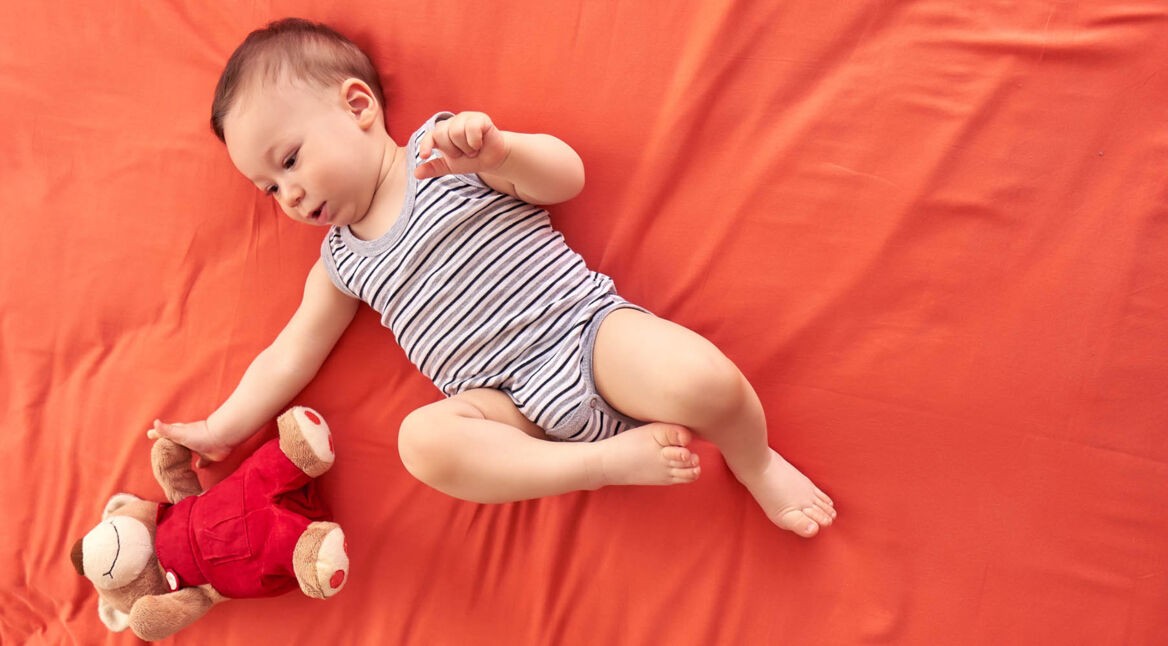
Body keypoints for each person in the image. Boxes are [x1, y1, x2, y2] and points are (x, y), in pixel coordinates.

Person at [148, 17, 836, 538]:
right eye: (270, 188)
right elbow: (289, 353)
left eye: (291, 160)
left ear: (359, 108)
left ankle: (755, 461)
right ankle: (599, 464)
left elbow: (565, 177)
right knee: (422, 442)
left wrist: (501, 151)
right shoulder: (340, 263)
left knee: (706, 381)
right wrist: (222, 426)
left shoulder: (443, 151)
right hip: (503, 407)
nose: (289, 194)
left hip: (586, 337)